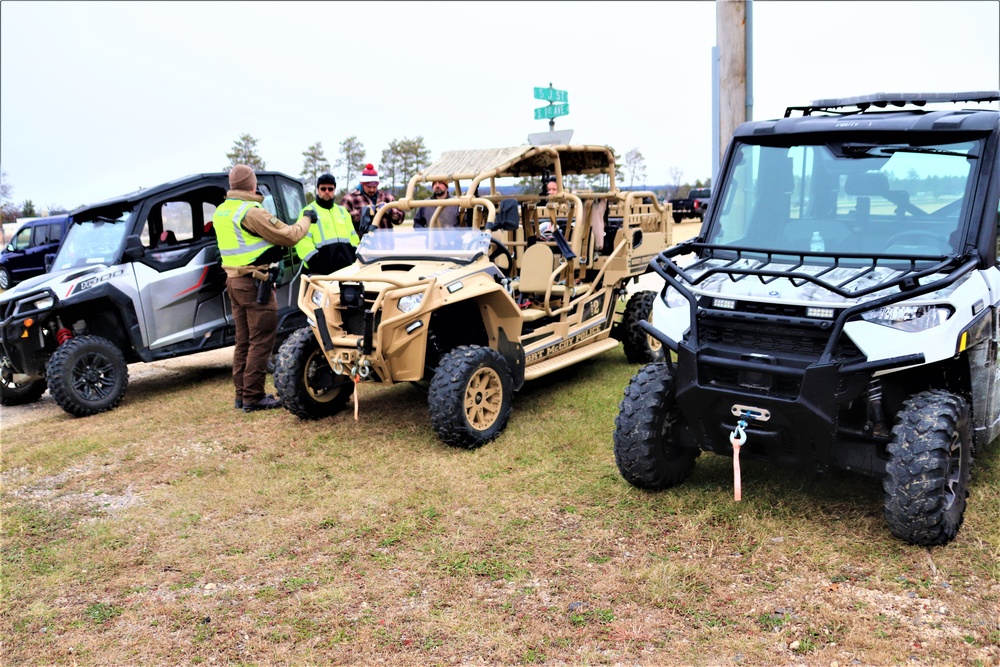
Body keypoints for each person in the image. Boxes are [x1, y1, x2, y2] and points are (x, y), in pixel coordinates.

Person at [212, 164, 311, 412]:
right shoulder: (251, 211)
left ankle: (241, 394)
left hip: (234, 282)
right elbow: (289, 235)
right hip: (254, 284)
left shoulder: (222, 211)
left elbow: (245, 244)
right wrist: (307, 219)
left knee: (244, 340)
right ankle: (253, 397)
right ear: (252, 185)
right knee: (261, 340)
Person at [294, 173, 359, 275]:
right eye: (323, 189)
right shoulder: (308, 212)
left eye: (330, 189)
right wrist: (314, 261)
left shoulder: (343, 212)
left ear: (334, 190)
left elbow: (353, 236)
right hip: (321, 272)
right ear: (318, 190)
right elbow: (302, 241)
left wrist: (354, 255)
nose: (327, 192)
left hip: (346, 270)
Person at [340, 163, 404, 235]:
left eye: (374, 187)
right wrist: (362, 212)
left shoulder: (387, 197)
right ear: (362, 184)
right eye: (369, 187)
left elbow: (399, 220)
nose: (372, 190)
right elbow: (342, 221)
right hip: (362, 244)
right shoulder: (349, 199)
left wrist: (389, 210)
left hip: (385, 244)